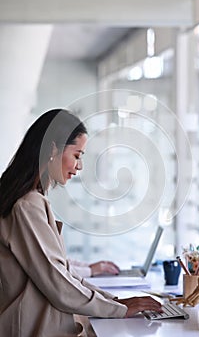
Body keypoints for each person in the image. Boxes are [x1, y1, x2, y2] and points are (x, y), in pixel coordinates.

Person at [0, 108, 162, 337]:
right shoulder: (27, 205)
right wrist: (120, 309)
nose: (79, 166)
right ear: (53, 149)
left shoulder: (30, 200)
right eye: (77, 155)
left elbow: (62, 272)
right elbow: (58, 283)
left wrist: (115, 302)